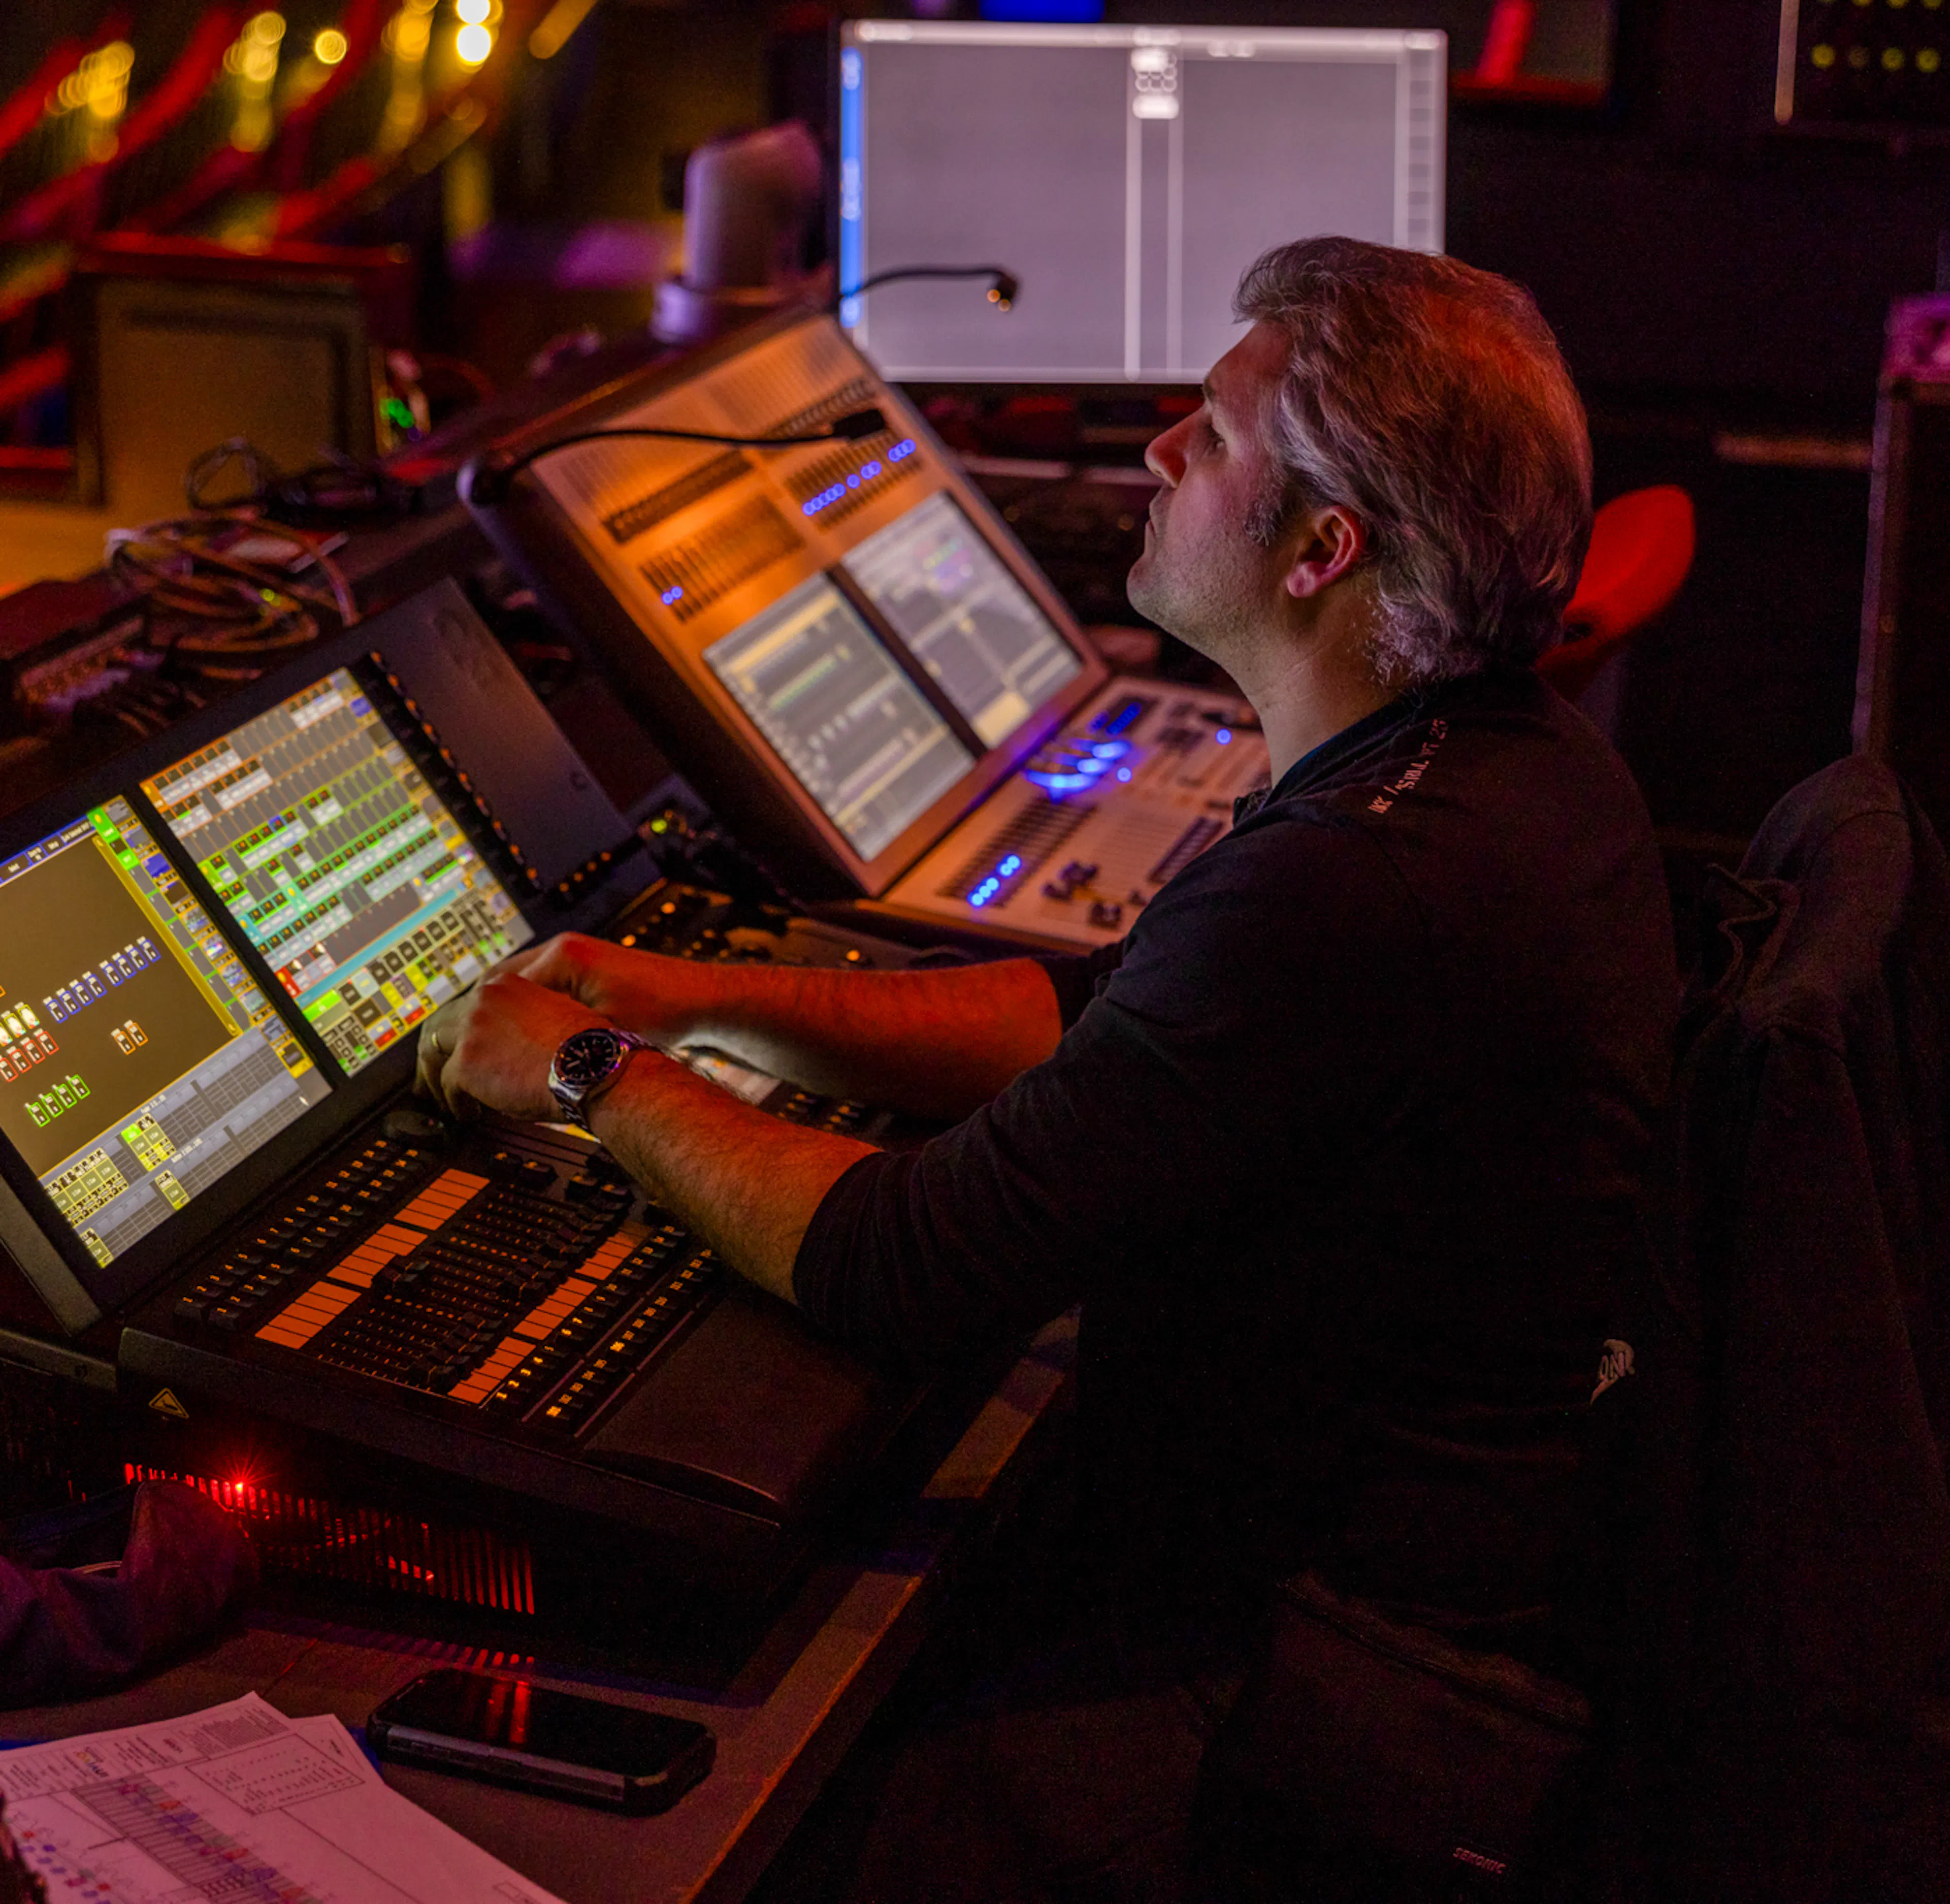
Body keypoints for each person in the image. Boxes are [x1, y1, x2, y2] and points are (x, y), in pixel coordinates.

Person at [417, 237, 1676, 1899]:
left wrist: (588, 1072)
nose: (1160, 451)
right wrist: (687, 992)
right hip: (1392, 1583)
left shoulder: (1347, 890)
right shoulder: (1504, 763)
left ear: (1322, 550)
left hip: (1291, 1676)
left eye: (1212, 437)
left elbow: (900, 1262)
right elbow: (1083, 1022)